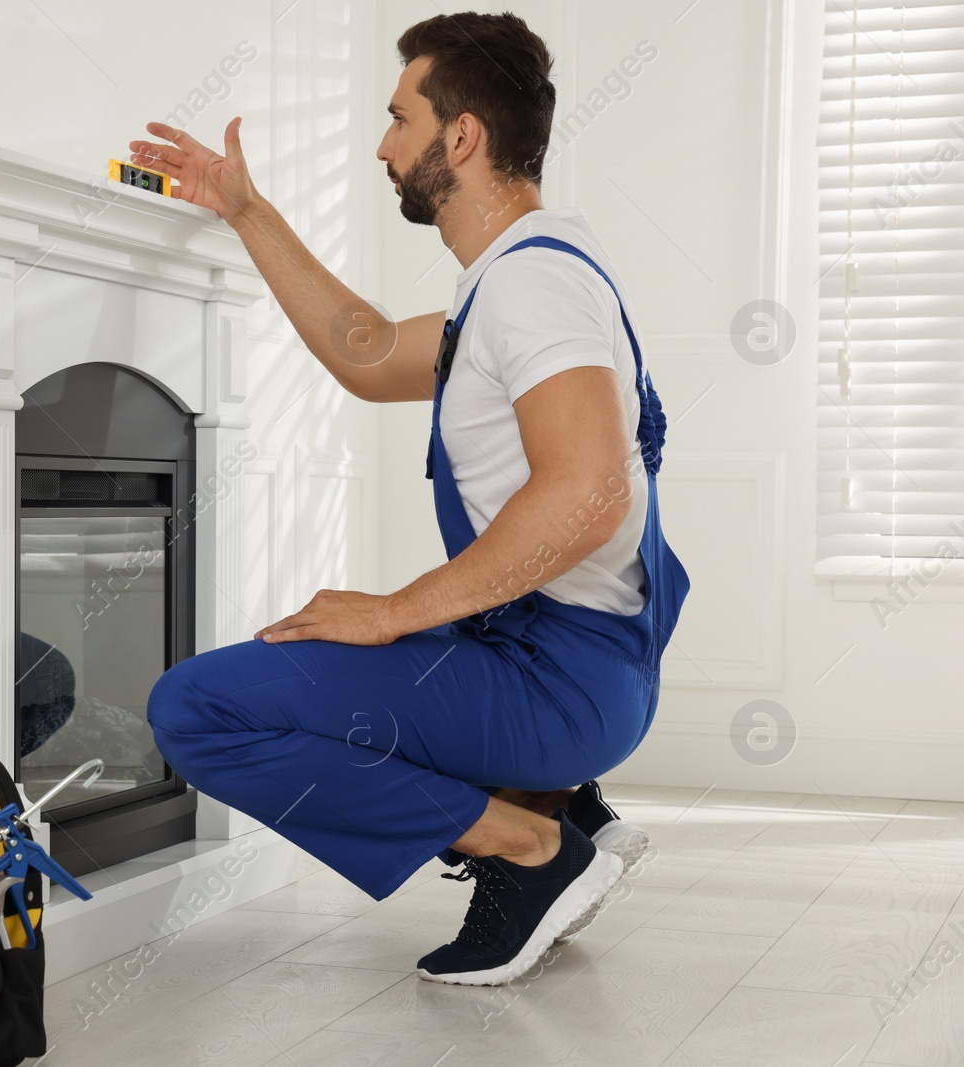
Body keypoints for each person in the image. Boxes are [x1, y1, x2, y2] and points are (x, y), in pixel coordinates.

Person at [132, 11, 690, 986]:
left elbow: (588, 491)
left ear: (460, 136)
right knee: (310, 663)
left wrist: (392, 612)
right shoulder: (525, 274)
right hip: (590, 672)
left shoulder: (530, 289)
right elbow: (370, 352)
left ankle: (532, 844)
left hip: (561, 683)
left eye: (399, 119)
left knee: (196, 707)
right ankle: (555, 801)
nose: (383, 145)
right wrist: (244, 208)